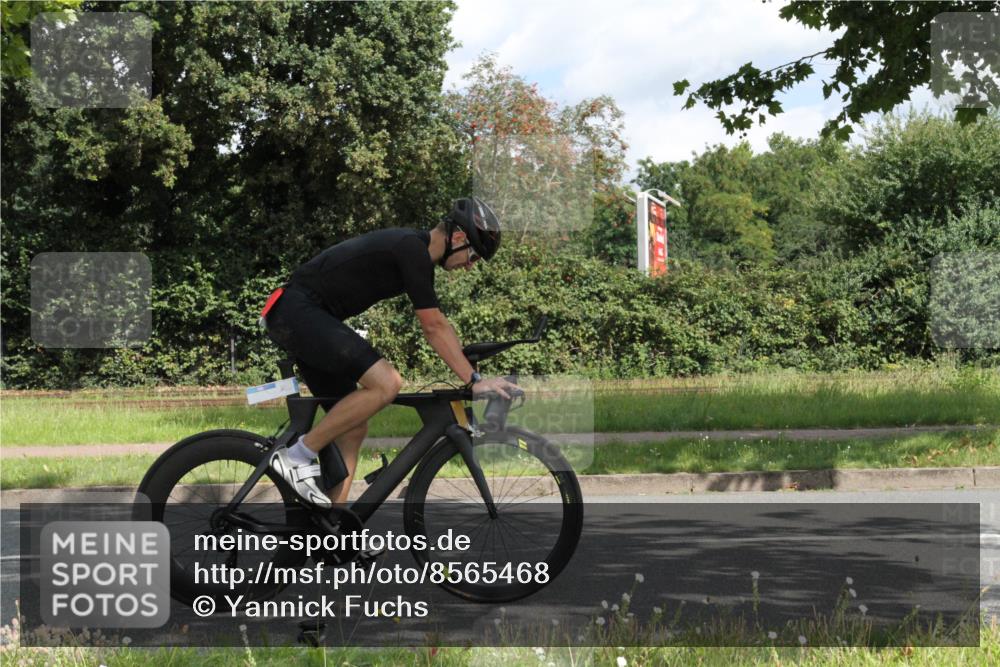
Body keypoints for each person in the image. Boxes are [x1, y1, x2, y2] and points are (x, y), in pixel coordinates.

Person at [262, 197, 520, 508]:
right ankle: (296, 456)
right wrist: (474, 379)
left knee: (353, 425)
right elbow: (433, 326)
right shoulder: (411, 248)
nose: (469, 265)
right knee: (387, 383)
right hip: (297, 310)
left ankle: (334, 530)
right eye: (474, 256)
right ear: (459, 238)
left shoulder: (416, 255)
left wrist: (469, 368)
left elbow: (438, 323)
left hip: (305, 315)